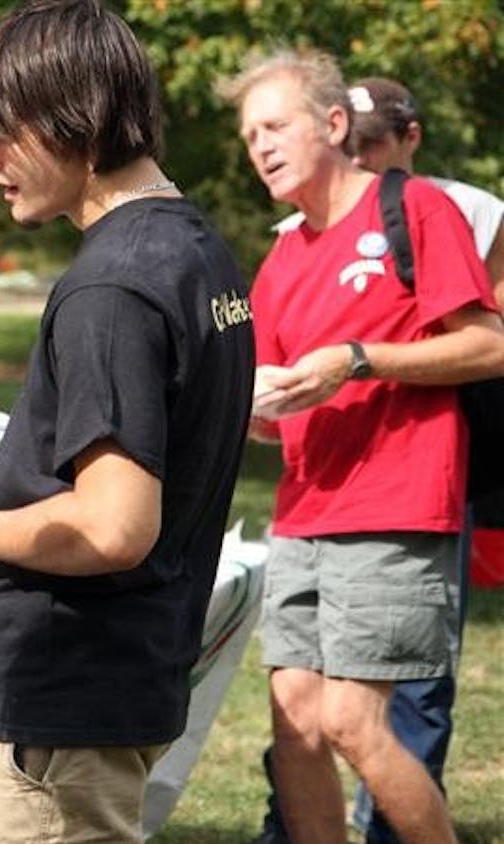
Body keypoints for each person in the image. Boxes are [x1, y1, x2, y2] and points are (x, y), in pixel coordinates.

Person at [0, 2, 255, 841]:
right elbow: (151, 455)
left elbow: (114, 527)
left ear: (68, 115)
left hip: (59, 710)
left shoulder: (110, 287)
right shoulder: (193, 249)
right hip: (122, 686)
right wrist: (8, 481)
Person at [221, 47, 504, 844]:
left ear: (335, 124)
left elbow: (488, 346)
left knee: (352, 719)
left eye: (275, 126)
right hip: (305, 511)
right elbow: (282, 402)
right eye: (250, 136)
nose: (261, 147)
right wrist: (254, 412)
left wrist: (356, 359)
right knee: (298, 724)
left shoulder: (414, 210)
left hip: (398, 502)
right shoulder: (282, 259)